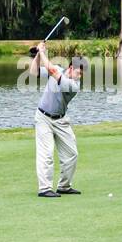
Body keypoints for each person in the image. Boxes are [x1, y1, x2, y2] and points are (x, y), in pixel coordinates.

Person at [32, 43, 84, 198]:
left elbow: (52, 70)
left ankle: (64, 186)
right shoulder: (59, 70)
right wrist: (38, 54)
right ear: (70, 68)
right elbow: (33, 71)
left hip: (61, 120)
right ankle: (45, 188)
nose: (79, 76)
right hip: (43, 118)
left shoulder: (73, 86)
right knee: (46, 154)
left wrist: (42, 52)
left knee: (72, 154)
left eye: (81, 74)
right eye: (77, 72)